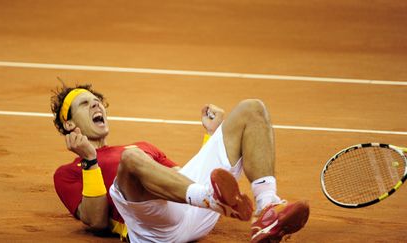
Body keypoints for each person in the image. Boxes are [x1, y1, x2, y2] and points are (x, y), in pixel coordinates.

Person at [51, 83, 310, 243]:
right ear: (69, 124)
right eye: (85, 103)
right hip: (152, 230)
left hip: (191, 209)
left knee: (252, 108)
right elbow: (95, 221)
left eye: (96, 101)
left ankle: (267, 210)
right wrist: (90, 161)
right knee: (131, 158)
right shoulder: (67, 173)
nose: (96, 104)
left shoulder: (144, 147)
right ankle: (210, 199)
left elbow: (180, 179)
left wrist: (210, 137)